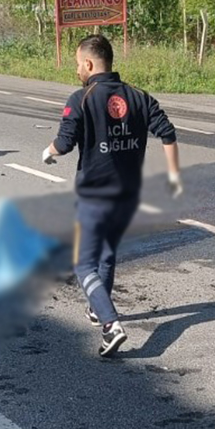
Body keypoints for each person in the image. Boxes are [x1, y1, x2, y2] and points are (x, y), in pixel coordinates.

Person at [41, 34, 182, 357]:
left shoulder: (82, 98)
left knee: (83, 264)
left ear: (89, 64)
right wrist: (174, 175)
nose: (77, 70)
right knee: (106, 253)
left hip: (95, 195)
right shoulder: (140, 97)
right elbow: (168, 134)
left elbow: (64, 143)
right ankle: (97, 308)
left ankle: (110, 324)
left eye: (78, 64)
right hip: (128, 194)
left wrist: (47, 152)